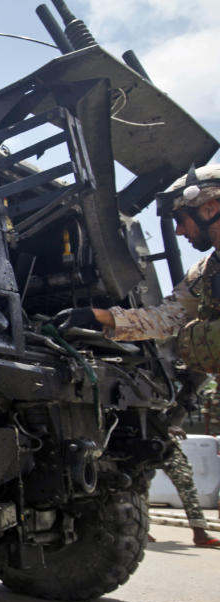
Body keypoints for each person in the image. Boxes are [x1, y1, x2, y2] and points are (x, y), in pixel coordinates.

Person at [52, 163, 220, 548]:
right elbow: (165, 318)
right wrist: (98, 317)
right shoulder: (205, 273)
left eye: (181, 219)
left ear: (208, 208)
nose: (179, 230)